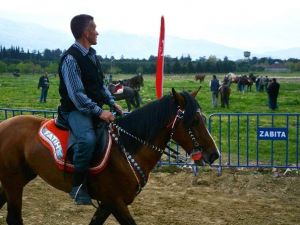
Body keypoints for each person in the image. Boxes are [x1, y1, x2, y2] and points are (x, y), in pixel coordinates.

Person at [55, 14, 122, 205]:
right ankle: (77, 186)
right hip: (75, 111)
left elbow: (99, 85)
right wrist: (100, 112)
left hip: (91, 107)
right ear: (86, 32)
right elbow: (77, 96)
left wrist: (111, 102)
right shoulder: (70, 59)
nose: (97, 32)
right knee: (87, 139)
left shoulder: (92, 55)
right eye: (95, 29)